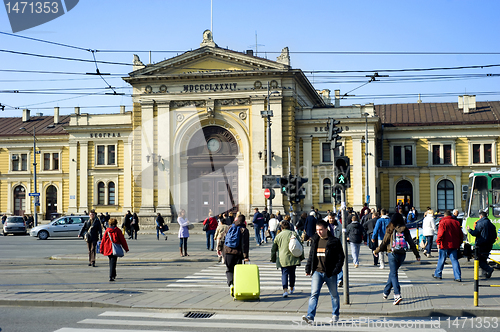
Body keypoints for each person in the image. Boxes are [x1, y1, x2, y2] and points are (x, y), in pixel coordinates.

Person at [302, 219, 344, 324]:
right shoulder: (315, 239)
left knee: (334, 294)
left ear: (326, 229)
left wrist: (336, 270)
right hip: (317, 271)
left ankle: (335, 315)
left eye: (321, 230)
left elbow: (341, 257)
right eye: (317, 230)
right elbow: (311, 255)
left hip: (330, 272)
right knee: (314, 294)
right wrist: (308, 268)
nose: (319, 232)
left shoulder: (334, 241)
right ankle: (310, 317)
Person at [374, 213, 420, 305]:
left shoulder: (390, 228)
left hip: (392, 253)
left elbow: (384, 242)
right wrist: (417, 254)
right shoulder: (405, 228)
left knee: (394, 273)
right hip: (402, 254)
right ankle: (386, 292)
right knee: (393, 272)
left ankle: (397, 295)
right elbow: (411, 242)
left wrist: (376, 251)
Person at [271, 220, 304, 297]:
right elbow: (300, 246)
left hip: (283, 258)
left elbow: (273, 249)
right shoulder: (294, 234)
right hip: (293, 257)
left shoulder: (278, 236)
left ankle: (285, 290)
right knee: (292, 273)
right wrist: (301, 257)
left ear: (281, 228)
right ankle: (291, 288)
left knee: (284, 273)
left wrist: (273, 258)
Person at [432, 210, 463, 282]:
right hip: (454, 244)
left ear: (444, 215)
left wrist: (438, 242)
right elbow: (460, 234)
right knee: (455, 260)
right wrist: (460, 243)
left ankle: (438, 274)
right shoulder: (456, 222)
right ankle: (458, 277)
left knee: (441, 259)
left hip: (444, 244)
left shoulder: (443, 222)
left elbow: (440, 233)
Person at [223, 214, 250, 287]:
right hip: (238, 253)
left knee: (229, 269)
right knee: (238, 271)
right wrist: (246, 256)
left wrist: (220, 249)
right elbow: (245, 245)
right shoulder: (244, 230)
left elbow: (223, 238)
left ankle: (231, 284)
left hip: (227, 252)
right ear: (244, 221)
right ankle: (237, 286)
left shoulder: (229, 227)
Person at [468, 211, 496, 279]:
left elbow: (476, 233)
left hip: (481, 244)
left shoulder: (480, 223)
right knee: (484, 258)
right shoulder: (491, 224)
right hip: (489, 244)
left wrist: (469, 230)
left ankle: (489, 269)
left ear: (480, 216)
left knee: (478, 259)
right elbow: (495, 235)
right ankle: (484, 273)